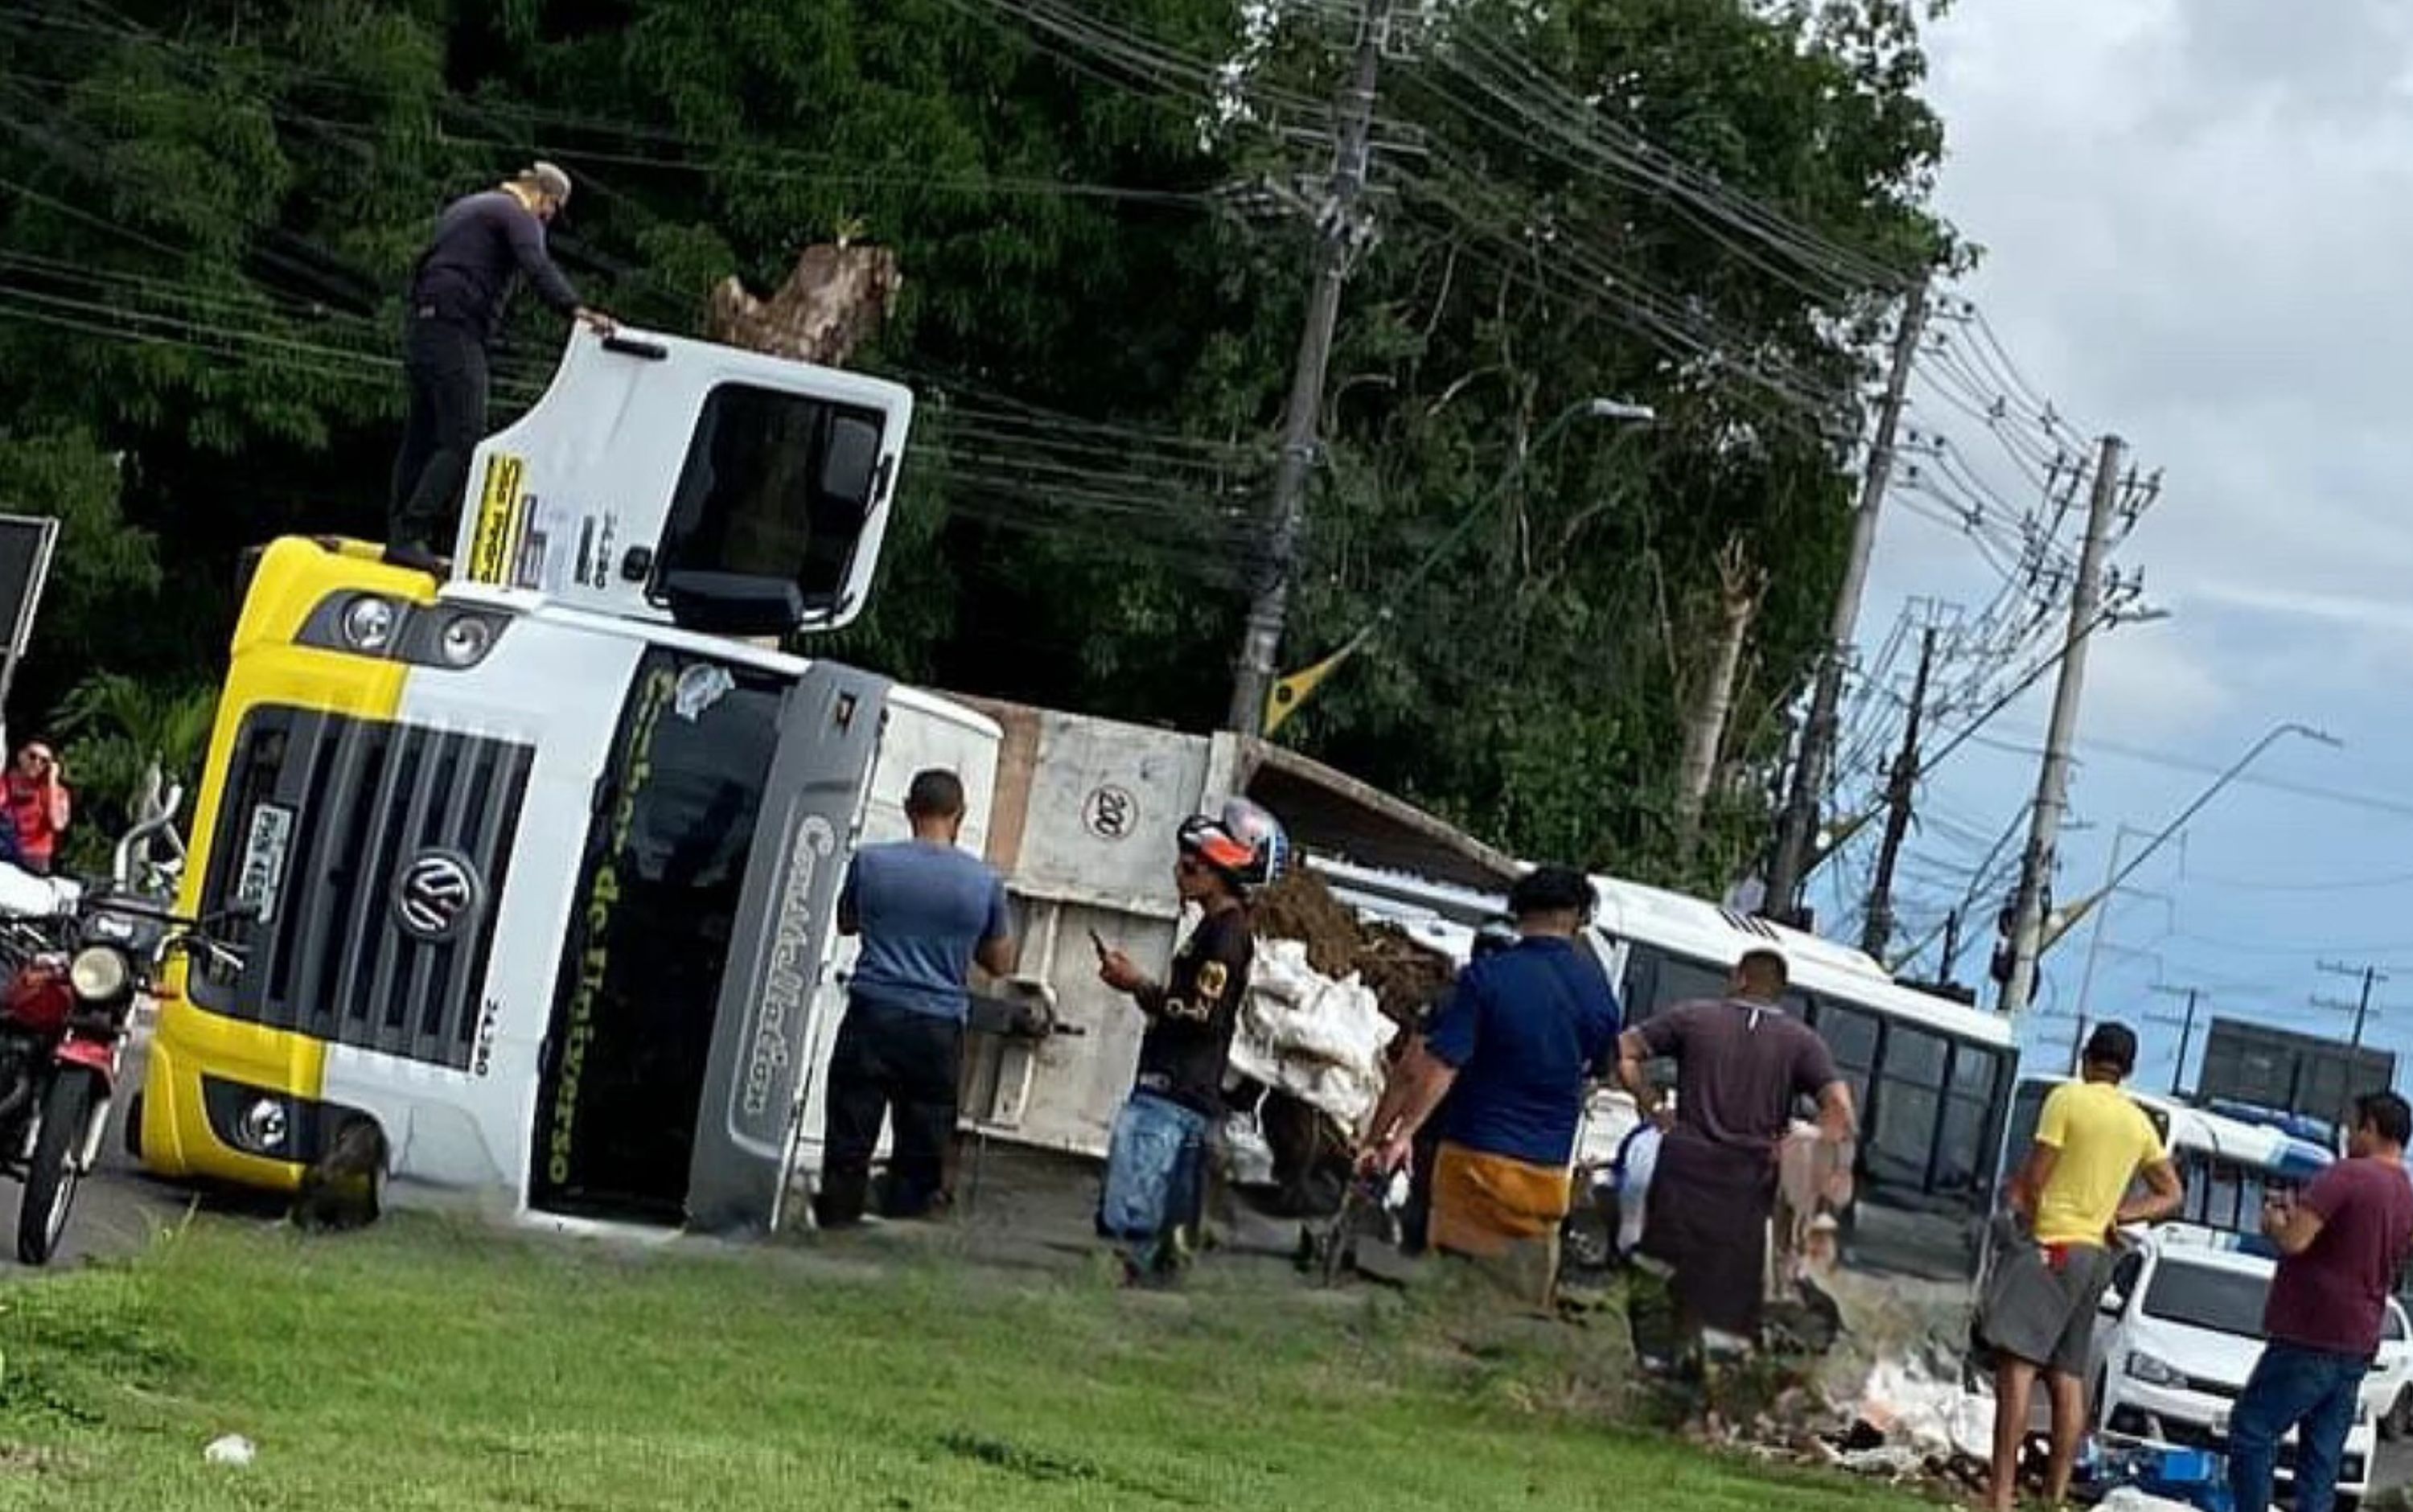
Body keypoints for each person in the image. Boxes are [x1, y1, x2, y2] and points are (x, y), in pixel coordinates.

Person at [1356, 869, 1620, 1307]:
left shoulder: (1486, 980)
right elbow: (1602, 1069)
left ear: (1518, 914)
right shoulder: (1598, 995)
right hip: (1545, 1170)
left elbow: (1441, 1065)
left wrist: (1401, 1134)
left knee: (1447, 1291)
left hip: (1471, 1159)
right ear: (1577, 919)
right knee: (1516, 1302)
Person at [1978, 1022, 2182, 1512]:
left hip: (2052, 1243)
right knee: (2067, 1375)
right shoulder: (2139, 1124)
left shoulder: (2067, 1100)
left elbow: (2037, 1175)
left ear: (2086, 1058)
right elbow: (2171, 1193)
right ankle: (2054, 1494)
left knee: (2018, 1368)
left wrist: (2020, 1219)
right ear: (2128, 1070)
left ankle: (2001, 1494)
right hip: (2097, 1255)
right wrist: (2123, 1214)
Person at [1614, 947, 1855, 1351]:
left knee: (1663, 1281)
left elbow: (1624, 1050)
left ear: (1739, 977)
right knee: (1724, 1307)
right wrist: (1801, 1144)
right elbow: (1841, 1111)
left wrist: (1652, 1104)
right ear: (1781, 990)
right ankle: (1708, 1390)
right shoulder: (1802, 1043)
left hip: (1682, 1171)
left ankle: (1654, 1366)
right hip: (1745, 1185)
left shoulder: (1692, 1017)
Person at [388, 162, 617, 571]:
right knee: (463, 436)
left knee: (420, 436)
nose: (547, 220)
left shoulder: (469, 207)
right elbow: (535, 263)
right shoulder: (516, 214)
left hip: (425, 325)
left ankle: (398, 535)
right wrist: (576, 309)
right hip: (458, 328)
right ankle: (411, 534)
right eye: (551, 211)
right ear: (544, 198)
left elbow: (425, 264)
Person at [812, 769, 1014, 1230]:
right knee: (922, 1142)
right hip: (937, 1026)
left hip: (873, 1014)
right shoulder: (983, 883)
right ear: (959, 815)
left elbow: (847, 922)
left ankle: (835, 1229)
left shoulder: (870, 863)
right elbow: (1000, 962)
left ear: (908, 809)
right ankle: (903, 1230)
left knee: (850, 1134)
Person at [1095, 798, 1285, 1285]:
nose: (1180, 871)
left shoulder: (1225, 935)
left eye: (1192, 864)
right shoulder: (1217, 929)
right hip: (1184, 1087)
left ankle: (1127, 1285)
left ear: (1222, 871)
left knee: (1133, 1217)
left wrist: (1138, 984)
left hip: (1174, 1088)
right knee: (1168, 1231)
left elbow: (1202, 1013)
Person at [2229, 1090, 2413, 1512]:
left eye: (2353, 1126)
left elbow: (2295, 1240)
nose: (2348, 1135)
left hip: (2312, 1331)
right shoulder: (2405, 1191)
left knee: (2253, 1430)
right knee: (2321, 1458)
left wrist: (2276, 1222)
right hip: (2360, 1336)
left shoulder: (2347, 1175)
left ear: (2371, 1128)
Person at [2, 741, 70, 877]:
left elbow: (57, 824)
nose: (37, 763)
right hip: (6, 854)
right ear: (21, 756)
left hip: (35, 859)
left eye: (44, 761)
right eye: (32, 756)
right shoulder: (5, 783)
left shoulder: (57, 792)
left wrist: (52, 781)